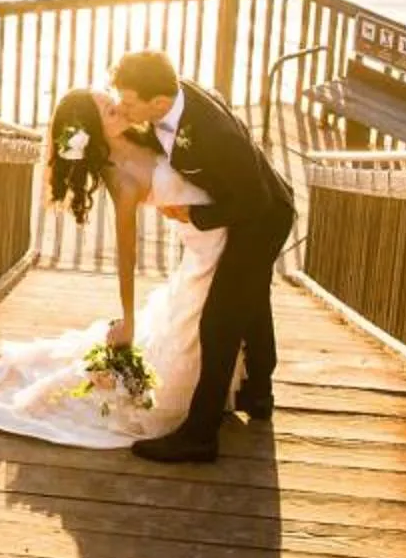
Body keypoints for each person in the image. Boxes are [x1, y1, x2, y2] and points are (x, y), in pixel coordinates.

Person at [0, 87, 227, 448]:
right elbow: (127, 255)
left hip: (214, 226)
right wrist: (128, 320)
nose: (118, 106)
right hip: (206, 242)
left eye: (112, 101)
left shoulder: (144, 132)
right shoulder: (122, 181)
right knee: (191, 331)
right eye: (109, 110)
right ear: (93, 130)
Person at [111, 49, 294, 463]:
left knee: (218, 322)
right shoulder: (172, 100)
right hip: (252, 203)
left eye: (129, 102)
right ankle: (258, 392)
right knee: (252, 302)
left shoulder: (216, 135)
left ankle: (200, 435)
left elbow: (255, 200)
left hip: (263, 218)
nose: (123, 107)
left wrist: (194, 214)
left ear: (159, 102)